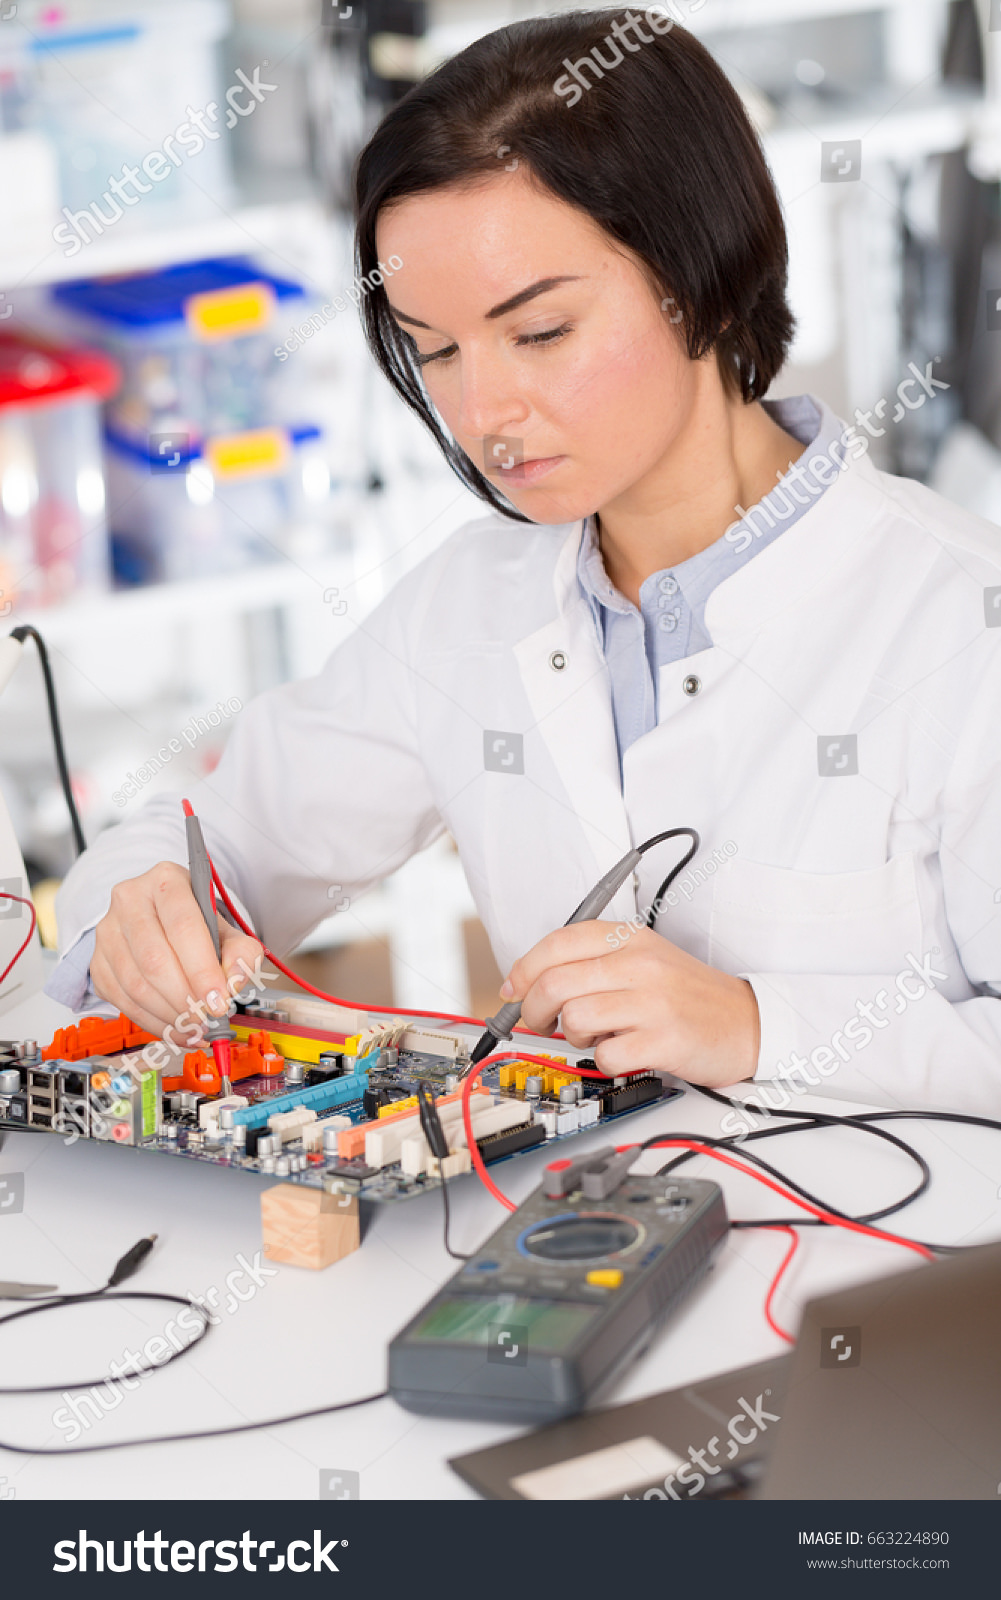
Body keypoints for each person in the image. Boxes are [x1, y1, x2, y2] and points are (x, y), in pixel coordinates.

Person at [49, 10, 1001, 1116]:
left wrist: (752, 1024)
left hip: (888, 1281)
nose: (482, 412)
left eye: (538, 332)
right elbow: (220, 840)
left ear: (697, 272)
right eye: (435, 351)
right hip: (574, 1258)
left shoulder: (953, 617)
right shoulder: (471, 603)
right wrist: (139, 906)